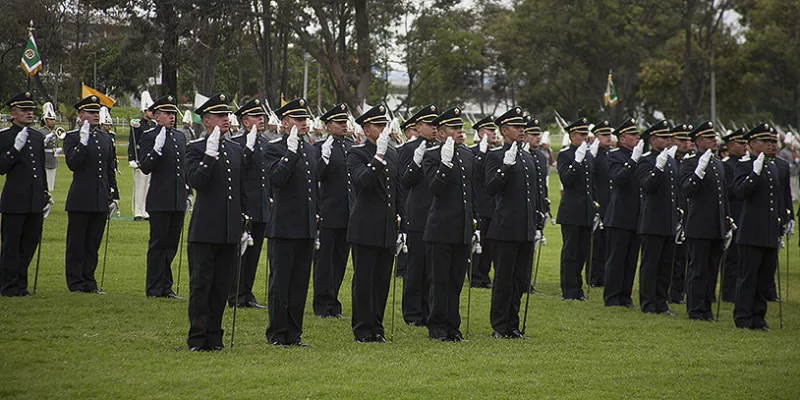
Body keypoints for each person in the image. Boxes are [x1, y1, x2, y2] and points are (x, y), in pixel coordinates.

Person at [185, 92, 247, 351]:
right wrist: (208, 158)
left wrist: (244, 224)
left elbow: (240, 189)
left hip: (228, 229)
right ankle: (198, 337)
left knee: (221, 285)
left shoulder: (235, 149)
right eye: (220, 116)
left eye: (227, 116)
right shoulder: (195, 149)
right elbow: (196, 182)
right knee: (202, 285)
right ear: (206, 120)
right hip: (205, 229)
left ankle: (215, 335)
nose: (226, 120)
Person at [263, 98, 318, 347]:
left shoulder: (311, 149)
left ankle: (294, 333)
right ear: (285, 124)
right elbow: (276, 180)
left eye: (305, 119)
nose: (304, 123)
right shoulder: (274, 149)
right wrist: (290, 153)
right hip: (284, 227)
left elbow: (312, 189)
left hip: (305, 227)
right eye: (298, 119)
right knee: (280, 284)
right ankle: (277, 332)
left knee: (298, 285)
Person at [422, 106, 476, 342]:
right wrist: (444, 166)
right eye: (454, 128)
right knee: (439, 281)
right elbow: (434, 189)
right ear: (442, 133)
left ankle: (453, 327)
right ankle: (438, 327)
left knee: (455, 281)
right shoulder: (432, 156)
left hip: (462, 228)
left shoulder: (468, 155)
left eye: (461, 128)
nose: (460, 132)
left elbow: (471, 194)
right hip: (440, 228)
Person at [485, 107, 540, 338]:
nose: (522, 130)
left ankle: (513, 325)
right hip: (505, 227)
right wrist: (505, 168)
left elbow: (532, 194)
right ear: (504, 130)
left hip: (524, 227)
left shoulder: (527, 157)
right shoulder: (496, 156)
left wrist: (537, 220)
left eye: (522, 127)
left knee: (519, 280)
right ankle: (500, 325)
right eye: (517, 127)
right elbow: (490, 188)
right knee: (504, 280)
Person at [346, 104, 398, 343]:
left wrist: (403, 226)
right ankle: (363, 328)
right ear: (367, 129)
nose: (383, 129)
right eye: (379, 125)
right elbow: (362, 182)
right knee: (364, 281)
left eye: (385, 125)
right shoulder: (357, 154)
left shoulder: (393, 153)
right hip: (365, 227)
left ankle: (377, 326)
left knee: (382, 281)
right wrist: (377, 157)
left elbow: (397, 193)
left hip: (386, 227)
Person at [733, 123, 790, 331]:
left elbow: (777, 200)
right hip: (751, 232)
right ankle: (743, 317)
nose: (769, 145)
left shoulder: (773, 166)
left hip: (768, 231)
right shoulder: (744, 166)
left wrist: (783, 223)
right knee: (748, 277)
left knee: (764, 278)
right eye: (764, 142)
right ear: (751, 144)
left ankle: (759, 317)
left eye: (772, 142)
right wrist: (754, 174)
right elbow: (740, 193)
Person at [63, 95, 119, 293]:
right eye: (91, 112)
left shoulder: (105, 138)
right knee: (77, 243)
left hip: (100, 197)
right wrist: (82, 142)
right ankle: (76, 282)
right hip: (80, 197)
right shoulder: (72, 137)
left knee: (93, 243)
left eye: (97, 112)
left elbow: (109, 168)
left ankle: (89, 280)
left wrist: (115, 195)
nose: (96, 115)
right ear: (81, 115)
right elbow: (73, 164)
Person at [680, 121, 731, 321]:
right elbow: (686, 190)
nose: (714, 141)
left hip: (715, 225)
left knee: (711, 270)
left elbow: (722, 195)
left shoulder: (718, 163)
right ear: (699, 141)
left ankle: (706, 307)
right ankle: (695, 308)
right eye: (710, 138)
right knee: (698, 269)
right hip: (699, 224)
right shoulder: (690, 162)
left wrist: (727, 220)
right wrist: (698, 173)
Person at [137, 94, 187, 299]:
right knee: (158, 244)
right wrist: (156, 150)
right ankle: (154, 287)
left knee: (171, 245)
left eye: (173, 113)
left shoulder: (179, 137)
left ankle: (166, 285)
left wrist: (188, 192)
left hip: (177, 199)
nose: (171, 116)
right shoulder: (149, 136)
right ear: (157, 116)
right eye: (167, 113)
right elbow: (146, 167)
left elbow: (183, 167)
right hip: (160, 199)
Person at [0, 92, 49, 296]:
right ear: (13, 113)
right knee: (11, 244)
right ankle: (7, 284)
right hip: (15, 199)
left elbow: (41, 168)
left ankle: (21, 283)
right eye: (24, 110)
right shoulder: (5, 137)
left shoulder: (37, 137)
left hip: (34, 199)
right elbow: (2, 167)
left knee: (29, 243)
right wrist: (15, 148)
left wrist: (45, 194)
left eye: (31, 110)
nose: (29, 113)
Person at [398, 104, 440, 326]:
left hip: (436, 214)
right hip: (417, 213)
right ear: (417, 126)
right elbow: (404, 182)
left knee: (432, 269)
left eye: (436, 124)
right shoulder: (408, 148)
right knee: (415, 268)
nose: (434, 128)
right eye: (429, 124)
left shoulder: (442, 147)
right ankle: (413, 313)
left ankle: (429, 308)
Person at [312, 103, 354, 317]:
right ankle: (322, 303)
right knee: (324, 262)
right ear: (328, 125)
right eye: (339, 122)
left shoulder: (350, 146)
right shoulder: (320, 147)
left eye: (345, 122)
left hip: (347, 213)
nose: (343, 125)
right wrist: (324, 158)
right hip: (328, 211)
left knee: (339, 261)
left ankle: (333, 300)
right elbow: (316, 177)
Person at [227, 98, 269, 309]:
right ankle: (234, 294)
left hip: (261, 207)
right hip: (245, 206)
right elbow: (238, 170)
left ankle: (247, 292)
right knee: (239, 253)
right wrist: (249, 148)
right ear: (245, 121)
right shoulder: (238, 144)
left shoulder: (266, 143)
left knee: (253, 255)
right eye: (256, 116)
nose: (261, 119)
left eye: (262, 116)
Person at [636, 120, 678, 315]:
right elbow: (646, 186)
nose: (668, 140)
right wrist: (657, 169)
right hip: (652, 221)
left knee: (665, 266)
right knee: (650, 265)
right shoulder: (646, 160)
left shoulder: (670, 159)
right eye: (664, 137)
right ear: (653, 139)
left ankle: (662, 302)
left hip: (668, 220)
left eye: (669, 137)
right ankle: (648, 303)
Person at [602, 118, 642, 307]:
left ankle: (625, 296)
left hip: (636, 214)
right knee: (616, 259)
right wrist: (632, 161)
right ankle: (612, 296)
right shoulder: (614, 156)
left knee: (631, 259)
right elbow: (618, 179)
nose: (637, 138)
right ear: (622, 138)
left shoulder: (639, 156)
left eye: (637, 135)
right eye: (633, 135)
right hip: (619, 215)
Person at [556, 117, 594, 301]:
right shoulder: (566, 155)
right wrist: (576, 162)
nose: (585, 138)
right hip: (571, 212)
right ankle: (568, 289)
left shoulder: (588, 155)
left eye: (586, 134)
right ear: (572, 135)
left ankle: (577, 289)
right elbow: (566, 179)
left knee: (582, 252)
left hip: (586, 211)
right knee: (570, 253)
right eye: (581, 134)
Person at [469, 114, 498, 289]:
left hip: (492, 205)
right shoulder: (473, 152)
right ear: (480, 133)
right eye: (490, 130)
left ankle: (485, 275)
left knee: (489, 244)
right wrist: (481, 151)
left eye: (495, 130)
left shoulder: (497, 153)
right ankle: (475, 276)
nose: (494, 133)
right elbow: (474, 174)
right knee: (477, 243)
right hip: (477, 204)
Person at [522, 116, 550, 292]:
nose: (537, 137)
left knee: (532, 247)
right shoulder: (523, 156)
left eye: (538, 134)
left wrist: (544, 208)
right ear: (524, 136)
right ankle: (523, 282)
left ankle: (527, 281)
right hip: (524, 208)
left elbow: (542, 185)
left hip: (537, 207)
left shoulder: (541, 156)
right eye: (532, 134)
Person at [720, 128, 747, 303]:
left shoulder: (746, 163)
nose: (745, 146)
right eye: (741, 143)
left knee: (743, 257)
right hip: (733, 214)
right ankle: (728, 292)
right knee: (731, 257)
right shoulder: (726, 164)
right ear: (730, 146)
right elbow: (727, 191)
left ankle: (739, 290)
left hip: (745, 215)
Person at [668, 124, 694, 304]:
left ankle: (680, 291)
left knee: (684, 257)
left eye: (687, 140)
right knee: (671, 257)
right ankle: (671, 292)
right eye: (681, 140)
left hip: (689, 214)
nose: (686, 143)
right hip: (672, 214)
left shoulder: (690, 162)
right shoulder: (669, 161)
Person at [589, 121, 613, 287]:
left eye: (609, 135)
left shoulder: (611, 155)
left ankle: (603, 276)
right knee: (595, 245)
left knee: (607, 244)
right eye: (604, 135)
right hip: (598, 202)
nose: (608, 138)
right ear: (596, 137)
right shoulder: (594, 156)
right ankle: (593, 276)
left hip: (610, 204)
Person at [129, 91, 155, 221]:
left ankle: (145, 210)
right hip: (140, 158)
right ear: (144, 111)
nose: (152, 113)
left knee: (148, 185)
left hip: (149, 159)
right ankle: (138, 211)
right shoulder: (137, 124)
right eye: (150, 111)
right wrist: (132, 158)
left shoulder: (153, 125)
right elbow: (132, 143)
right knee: (139, 186)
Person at [41, 102, 60, 193]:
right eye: (50, 119)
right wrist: (45, 141)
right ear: (45, 120)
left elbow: (56, 144)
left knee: (51, 182)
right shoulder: (41, 132)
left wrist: (57, 149)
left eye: (53, 119)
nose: (52, 121)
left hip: (53, 158)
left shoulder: (56, 132)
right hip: (44, 158)